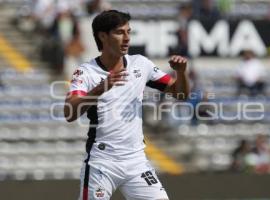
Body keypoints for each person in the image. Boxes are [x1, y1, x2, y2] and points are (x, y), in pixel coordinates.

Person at [64, 10, 189, 200]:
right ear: (103, 36)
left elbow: (181, 94)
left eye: (129, 32)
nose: (127, 38)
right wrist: (101, 88)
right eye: (120, 32)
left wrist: (181, 73)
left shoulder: (141, 64)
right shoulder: (86, 72)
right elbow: (69, 112)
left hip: (136, 162)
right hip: (101, 163)